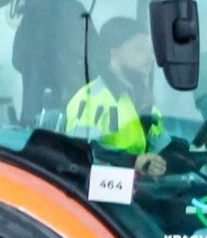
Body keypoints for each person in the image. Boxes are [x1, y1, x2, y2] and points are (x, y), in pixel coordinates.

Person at [64, 17, 168, 177]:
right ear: (114, 52)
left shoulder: (143, 100)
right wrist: (133, 161)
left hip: (140, 192)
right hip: (99, 198)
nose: (150, 57)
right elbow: (80, 156)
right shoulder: (91, 99)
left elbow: (162, 147)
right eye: (139, 49)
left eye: (149, 50)